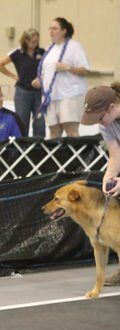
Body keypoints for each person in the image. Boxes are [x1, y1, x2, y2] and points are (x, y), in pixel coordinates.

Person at [80, 83, 120, 285]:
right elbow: (115, 156)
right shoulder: (107, 125)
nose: (99, 122)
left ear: (112, 107)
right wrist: (109, 176)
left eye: (99, 116)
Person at [37, 17, 90, 138]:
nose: (51, 31)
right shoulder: (50, 48)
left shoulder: (74, 47)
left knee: (71, 131)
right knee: (53, 133)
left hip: (69, 95)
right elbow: (47, 70)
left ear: (64, 31)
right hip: (51, 97)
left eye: (55, 28)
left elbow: (85, 70)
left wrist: (68, 68)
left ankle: (76, 156)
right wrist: (40, 79)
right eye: (50, 28)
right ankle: (58, 157)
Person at [0, 28, 45, 138]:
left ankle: (40, 148)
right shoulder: (17, 53)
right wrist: (13, 76)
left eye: (37, 41)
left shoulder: (42, 52)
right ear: (26, 40)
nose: (35, 44)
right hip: (23, 92)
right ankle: (22, 148)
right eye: (33, 42)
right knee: (22, 121)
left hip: (39, 92)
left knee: (40, 122)